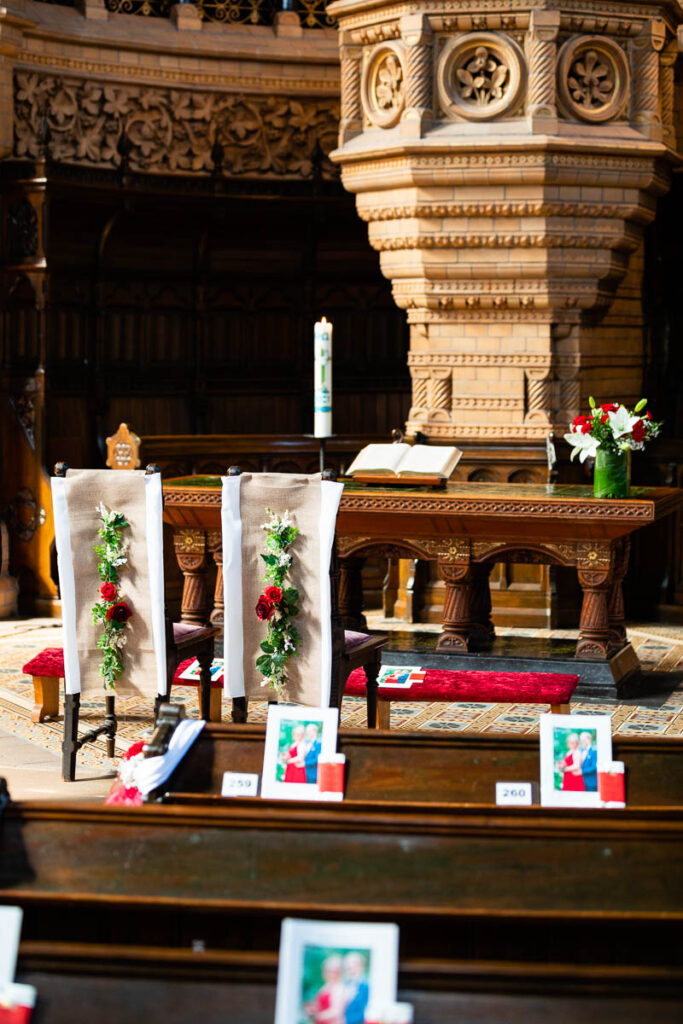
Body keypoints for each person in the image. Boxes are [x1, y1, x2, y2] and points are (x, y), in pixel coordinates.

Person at [306, 954, 346, 1024]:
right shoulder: (325, 987)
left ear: (339, 972)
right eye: (328, 970)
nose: (330, 974)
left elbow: (336, 1012)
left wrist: (317, 1016)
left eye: (334, 971)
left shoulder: (339, 988)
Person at [343, 952, 369, 1024]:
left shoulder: (365, 985)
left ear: (361, 966)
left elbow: (365, 1008)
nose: (350, 968)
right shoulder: (344, 984)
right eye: (348, 966)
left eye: (354, 965)